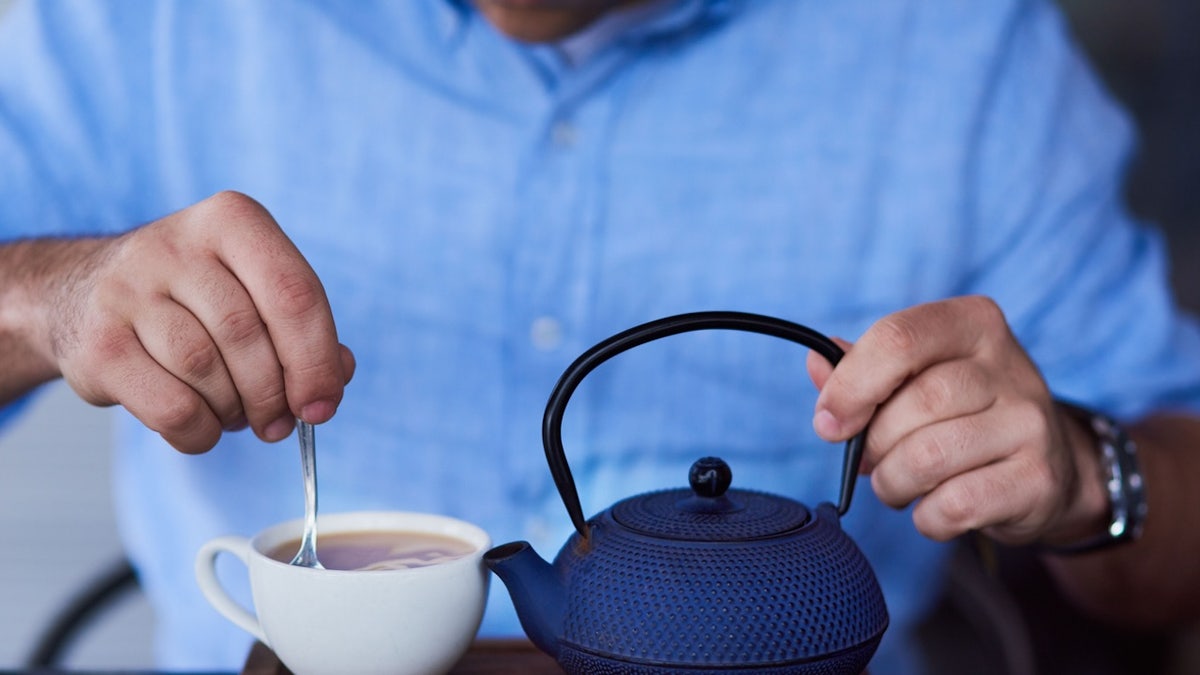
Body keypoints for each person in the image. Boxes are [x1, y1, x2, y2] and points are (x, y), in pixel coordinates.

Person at [2, 0, 1199, 672]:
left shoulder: (963, 47)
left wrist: (1089, 474)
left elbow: (1177, 513)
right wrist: (46, 296)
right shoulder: (138, 22)